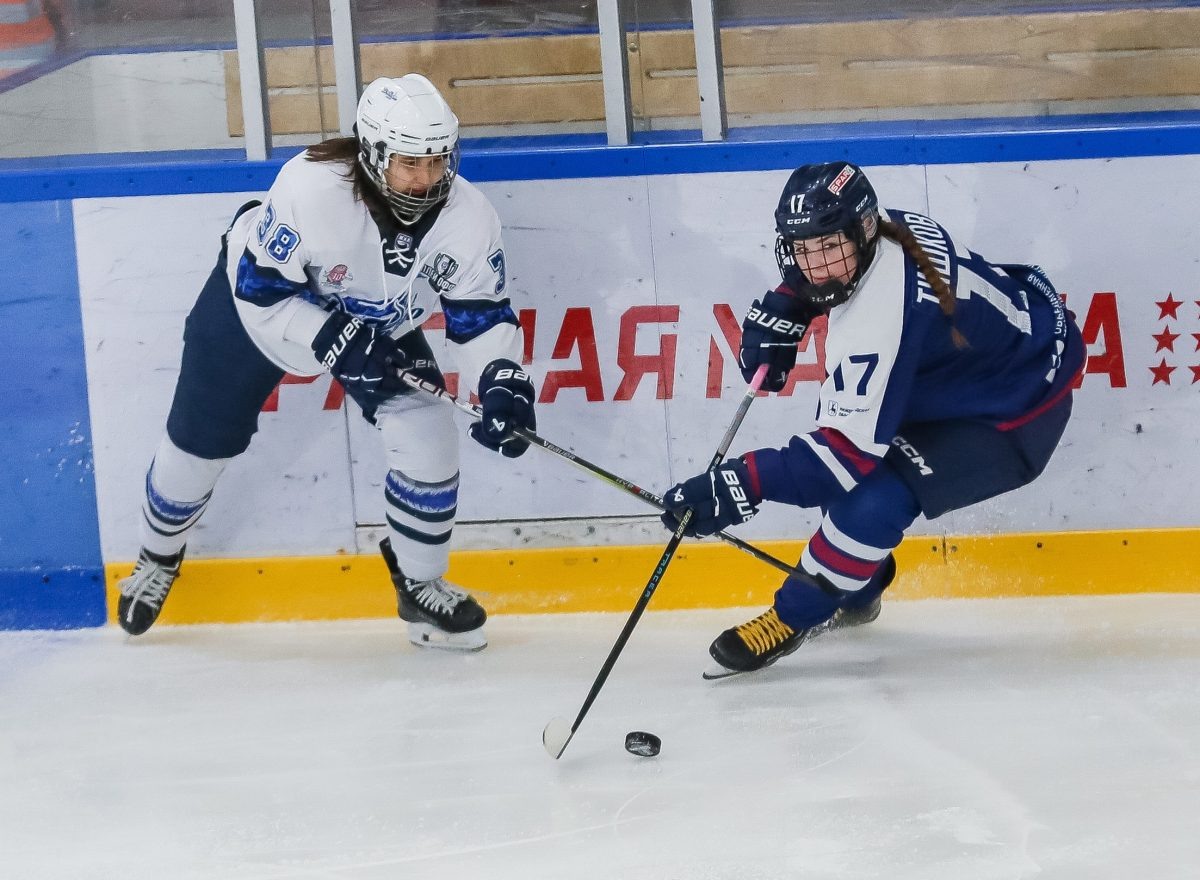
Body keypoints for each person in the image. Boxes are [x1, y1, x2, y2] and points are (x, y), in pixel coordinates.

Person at [117, 74, 536, 651]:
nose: (427, 179)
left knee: (428, 431)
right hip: (255, 317)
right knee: (198, 443)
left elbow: (480, 316)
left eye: (438, 161)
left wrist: (502, 381)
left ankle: (418, 584)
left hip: (375, 325)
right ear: (373, 154)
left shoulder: (469, 216)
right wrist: (330, 334)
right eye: (410, 163)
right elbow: (260, 288)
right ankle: (156, 557)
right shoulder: (311, 189)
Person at [661, 161, 1084, 678]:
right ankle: (859, 587)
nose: (816, 266)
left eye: (829, 248)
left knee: (869, 498)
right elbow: (822, 273)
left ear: (863, 231)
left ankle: (795, 615)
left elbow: (839, 460)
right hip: (983, 363)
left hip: (1012, 410)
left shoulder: (880, 317)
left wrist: (741, 481)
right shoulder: (883, 225)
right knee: (852, 463)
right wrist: (789, 303)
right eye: (804, 249)